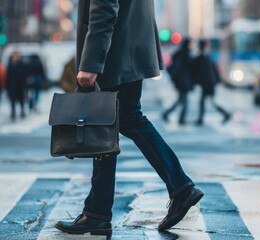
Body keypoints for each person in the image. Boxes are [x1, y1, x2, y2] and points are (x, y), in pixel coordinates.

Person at [54, 1, 204, 238]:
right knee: (110, 123)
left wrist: (91, 63)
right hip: (129, 47)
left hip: (116, 52)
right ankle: (98, 212)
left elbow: (104, 8)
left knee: (123, 119)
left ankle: (179, 186)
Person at [192, 39, 231, 125]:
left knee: (209, 102)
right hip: (210, 83)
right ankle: (201, 118)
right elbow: (214, 70)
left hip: (207, 84)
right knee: (207, 101)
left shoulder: (202, 57)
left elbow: (195, 70)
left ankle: (225, 114)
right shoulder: (207, 57)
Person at [162, 38, 194, 125]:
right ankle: (181, 119)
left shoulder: (180, 52)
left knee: (180, 100)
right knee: (184, 102)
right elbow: (186, 68)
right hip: (183, 81)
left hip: (181, 81)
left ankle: (167, 114)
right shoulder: (185, 54)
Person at [6, 51, 27, 120]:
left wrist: (24, 86)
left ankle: (22, 111)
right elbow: (8, 75)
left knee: (21, 99)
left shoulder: (21, 64)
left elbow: (23, 75)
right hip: (12, 85)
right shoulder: (10, 64)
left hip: (20, 85)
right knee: (12, 100)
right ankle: (13, 112)